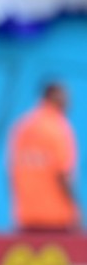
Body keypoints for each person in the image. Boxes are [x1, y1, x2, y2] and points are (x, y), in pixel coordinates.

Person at [8, 81, 81, 232]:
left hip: (26, 217)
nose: (68, 101)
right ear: (53, 96)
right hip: (56, 219)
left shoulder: (23, 126)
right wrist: (76, 210)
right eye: (64, 95)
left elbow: (12, 173)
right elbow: (63, 175)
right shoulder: (57, 127)